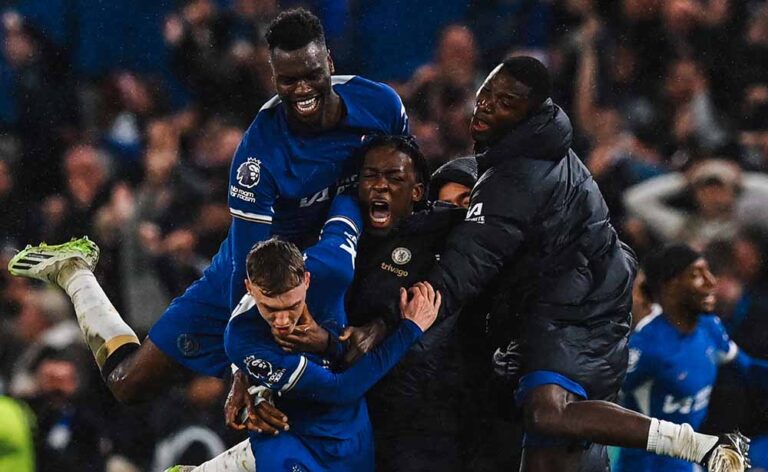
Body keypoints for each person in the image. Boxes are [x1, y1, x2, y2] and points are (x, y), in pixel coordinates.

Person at [7, 8, 408, 429]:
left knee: (319, 396)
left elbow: (409, 183)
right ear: (274, 76)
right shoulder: (258, 157)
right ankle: (75, 274)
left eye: (311, 74)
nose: (302, 89)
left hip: (332, 262)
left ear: (329, 62)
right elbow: (249, 267)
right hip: (255, 275)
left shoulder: (380, 105)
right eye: (288, 80)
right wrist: (242, 368)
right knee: (129, 384)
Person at [420, 56, 748, 471]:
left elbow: (467, 267)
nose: (485, 106)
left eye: (467, 201)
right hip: (553, 318)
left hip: (570, 308)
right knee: (544, 448)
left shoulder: (515, 183)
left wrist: (395, 324)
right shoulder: (532, 165)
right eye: (486, 95)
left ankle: (695, 445)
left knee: (549, 416)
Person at [225, 194, 441, 471]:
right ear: (249, 289)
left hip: (349, 430)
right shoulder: (243, 338)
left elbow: (347, 204)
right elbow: (340, 390)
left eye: (292, 306)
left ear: (307, 280)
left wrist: (329, 344)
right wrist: (410, 329)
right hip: (290, 431)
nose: (282, 321)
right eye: (270, 308)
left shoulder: (333, 267)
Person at [616, 244, 768, 472]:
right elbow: (603, 402)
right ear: (669, 287)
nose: (711, 282)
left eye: (709, 272)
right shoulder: (647, 348)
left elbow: (748, 369)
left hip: (687, 462)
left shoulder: (710, 328)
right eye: (697, 275)